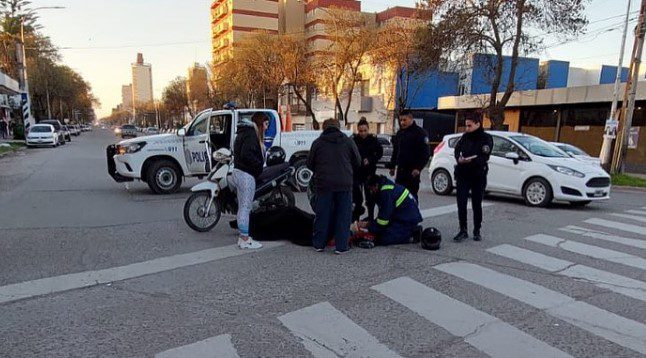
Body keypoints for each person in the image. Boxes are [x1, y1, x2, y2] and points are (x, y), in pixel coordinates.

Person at [307, 118, 361, 254]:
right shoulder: (348, 141)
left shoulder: (318, 143)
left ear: (324, 128)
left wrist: (320, 171)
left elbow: (309, 163)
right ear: (338, 127)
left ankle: (319, 244)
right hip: (344, 183)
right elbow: (357, 161)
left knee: (322, 214)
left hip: (324, 183)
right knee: (343, 215)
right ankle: (341, 246)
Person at [452, 115, 493, 242]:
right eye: (466, 125)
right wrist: (459, 159)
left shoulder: (486, 138)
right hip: (463, 175)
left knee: (476, 204)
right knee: (461, 203)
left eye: (469, 125)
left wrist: (469, 161)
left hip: (477, 175)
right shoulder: (465, 137)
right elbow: (457, 150)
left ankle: (477, 230)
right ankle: (463, 229)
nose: (467, 128)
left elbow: (484, 157)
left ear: (478, 124)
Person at [230, 112, 268, 249]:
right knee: (245, 207)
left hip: (239, 172)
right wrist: (258, 165)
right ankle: (245, 239)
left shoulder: (244, 132)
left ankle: (243, 237)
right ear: (260, 123)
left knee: (243, 207)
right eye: (266, 123)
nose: (266, 127)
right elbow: (247, 154)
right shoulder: (251, 134)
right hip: (246, 175)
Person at [355, 175, 423, 247]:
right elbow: (385, 216)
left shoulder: (386, 193)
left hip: (406, 220)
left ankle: (412, 234)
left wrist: (368, 227)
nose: (371, 192)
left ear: (376, 185)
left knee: (384, 238)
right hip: (403, 217)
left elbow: (383, 221)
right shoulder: (386, 186)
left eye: (372, 189)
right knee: (382, 231)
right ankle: (411, 230)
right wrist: (370, 224)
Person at [388, 109, 431, 200]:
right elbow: (396, 151)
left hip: (412, 173)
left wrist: (418, 168)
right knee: (399, 197)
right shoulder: (400, 133)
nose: (402, 122)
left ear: (411, 119)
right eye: (401, 120)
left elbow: (425, 153)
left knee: (411, 198)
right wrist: (392, 166)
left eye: (404, 120)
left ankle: (413, 214)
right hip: (400, 172)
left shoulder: (420, 133)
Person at [352, 118, 383, 221]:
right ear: (358, 130)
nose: (363, 133)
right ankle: (356, 219)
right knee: (357, 198)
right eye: (361, 131)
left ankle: (370, 218)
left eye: (365, 130)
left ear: (368, 129)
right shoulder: (354, 140)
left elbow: (379, 153)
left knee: (370, 198)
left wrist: (370, 159)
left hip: (369, 173)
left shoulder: (373, 140)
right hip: (357, 173)